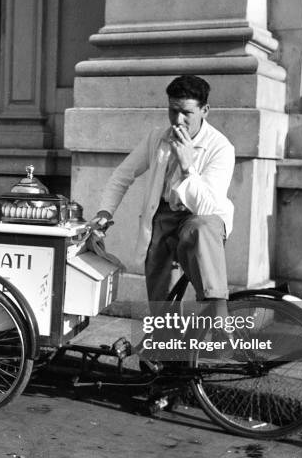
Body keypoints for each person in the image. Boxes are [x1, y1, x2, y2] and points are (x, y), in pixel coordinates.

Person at [92, 75, 235, 324]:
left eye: (186, 113)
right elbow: (122, 176)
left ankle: (220, 320)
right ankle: (167, 355)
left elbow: (207, 208)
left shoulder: (220, 147)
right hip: (163, 220)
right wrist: (104, 213)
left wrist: (188, 166)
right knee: (162, 308)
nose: (178, 120)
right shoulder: (157, 137)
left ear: (205, 111)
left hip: (201, 221)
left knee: (198, 228)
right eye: (172, 111)